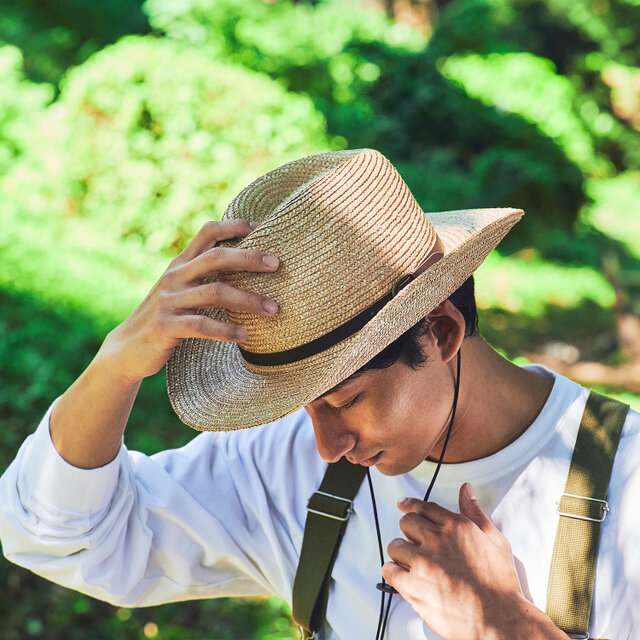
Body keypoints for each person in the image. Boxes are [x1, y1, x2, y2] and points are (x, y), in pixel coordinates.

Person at [0, 148, 638, 640]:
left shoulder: (627, 485)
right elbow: (64, 538)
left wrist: (504, 623)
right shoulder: (283, 463)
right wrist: (114, 367)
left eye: (343, 399)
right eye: (300, 405)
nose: (326, 446)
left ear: (440, 332)